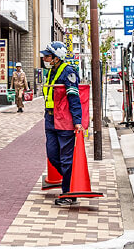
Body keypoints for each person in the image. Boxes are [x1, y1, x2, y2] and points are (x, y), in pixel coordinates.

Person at [41, 41, 84, 206]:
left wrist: (77, 121)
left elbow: (74, 98)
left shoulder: (68, 72)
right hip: (50, 119)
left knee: (66, 158)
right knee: (52, 154)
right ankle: (71, 180)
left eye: (47, 55)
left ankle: (69, 193)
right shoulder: (51, 72)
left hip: (64, 120)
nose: (44, 58)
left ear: (56, 57)